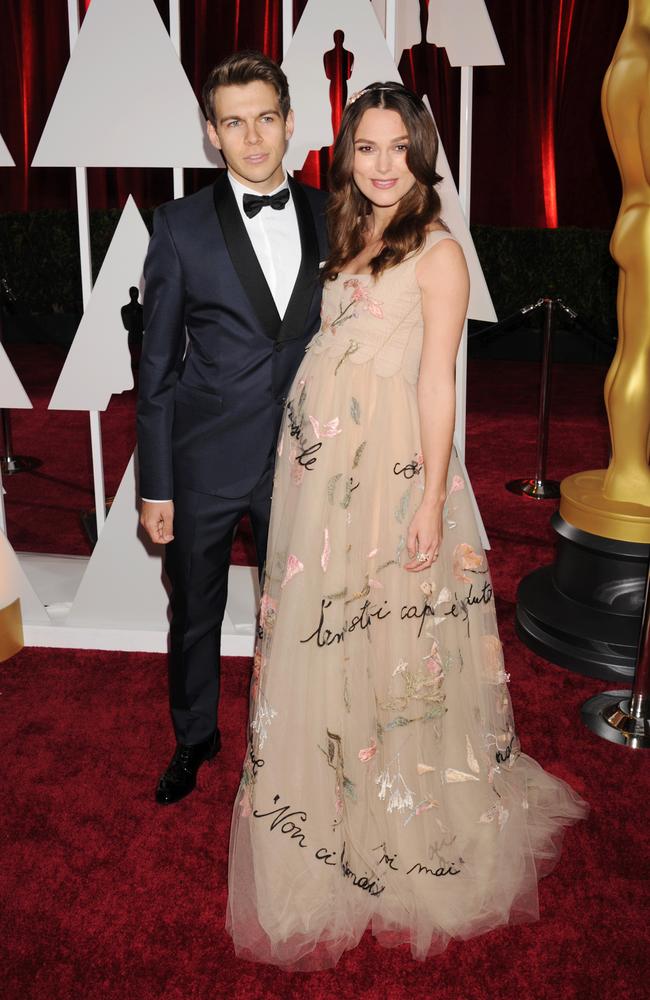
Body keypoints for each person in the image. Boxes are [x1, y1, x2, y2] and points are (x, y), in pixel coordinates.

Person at [226, 82, 588, 968]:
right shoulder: (349, 234)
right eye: (367, 148)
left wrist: (428, 498)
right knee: (326, 638)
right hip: (320, 487)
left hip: (391, 480)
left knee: (395, 641)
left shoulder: (438, 252)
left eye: (399, 148)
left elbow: (437, 385)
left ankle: (401, 813)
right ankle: (331, 797)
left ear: (421, 154)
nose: (383, 164)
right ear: (347, 155)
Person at [137, 51, 328, 806]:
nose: (253, 138)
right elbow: (155, 370)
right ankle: (195, 737)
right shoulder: (179, 228)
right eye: (234, 123)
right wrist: (157, 485)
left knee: (303, 610)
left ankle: (291, 735)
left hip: (305, 461)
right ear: (212, 134)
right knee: (196, 611)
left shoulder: (328, 213)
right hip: (203, 463)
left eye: (266, 119)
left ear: (289, 122)